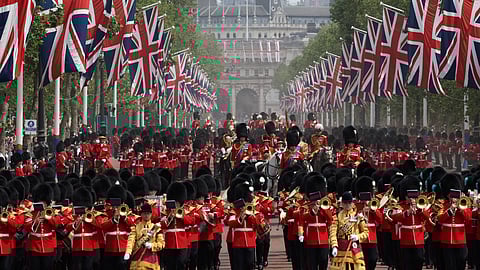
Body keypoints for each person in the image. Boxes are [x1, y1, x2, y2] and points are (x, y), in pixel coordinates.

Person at [329, 191, 368, 270]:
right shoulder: (336, 216)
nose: (347, 205)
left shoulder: (358, 216)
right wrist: (334, 246)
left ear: (352, 203)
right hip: (341, 248)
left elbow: (366, 233)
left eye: (349, 203)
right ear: (342, 204)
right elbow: (333, 233)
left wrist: (358, 236)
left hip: (354, 247)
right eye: (345, 203)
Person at [124, 203, 164, 270]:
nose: (146, 215)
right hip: (137, 259)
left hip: (151, 258)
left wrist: (152, 245)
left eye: (148, 213)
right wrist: (128, 252)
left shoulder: (156, 228)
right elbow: (131, 240)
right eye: (144, 213)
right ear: (141, 214)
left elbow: (162, 244)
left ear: (151, 214)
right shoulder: (136, 227)